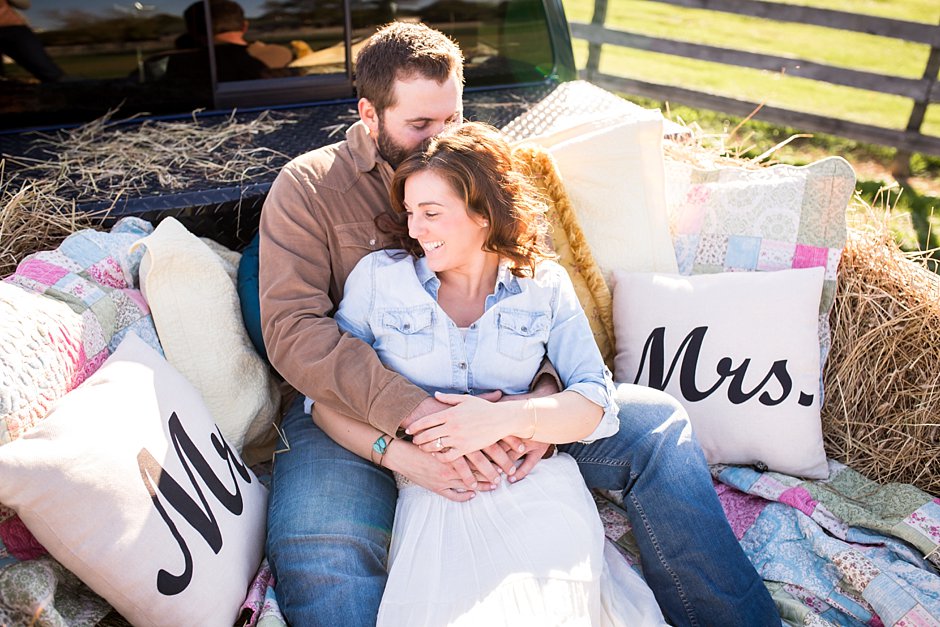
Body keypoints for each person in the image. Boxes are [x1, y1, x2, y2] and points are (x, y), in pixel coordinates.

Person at [259, 21, 780, 627]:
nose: (443, 136)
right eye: (420, 126)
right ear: (369, 115)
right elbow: (294, 332)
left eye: (452, 118)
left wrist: (537, 405)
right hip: (360, 400)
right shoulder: (310, 188)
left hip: (500, 395)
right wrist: (414, 420)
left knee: (656, 425)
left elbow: (537, 293)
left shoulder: (483, 164)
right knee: (322, 547)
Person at [315, 120, 667, 625]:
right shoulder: (379, 281)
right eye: (411, 213)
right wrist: (402, 459)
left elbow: (596, 403)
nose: (415, 230)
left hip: (536, 490)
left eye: (432, 213)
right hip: (435, 497)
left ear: (482, 211)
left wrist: (509, 419)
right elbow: (326, 401)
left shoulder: (543, 286)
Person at [0, 0, 64, 83]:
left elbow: (25, 5)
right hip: (14, 30)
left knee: (49, 72)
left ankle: (70, 91)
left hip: (13, 28)